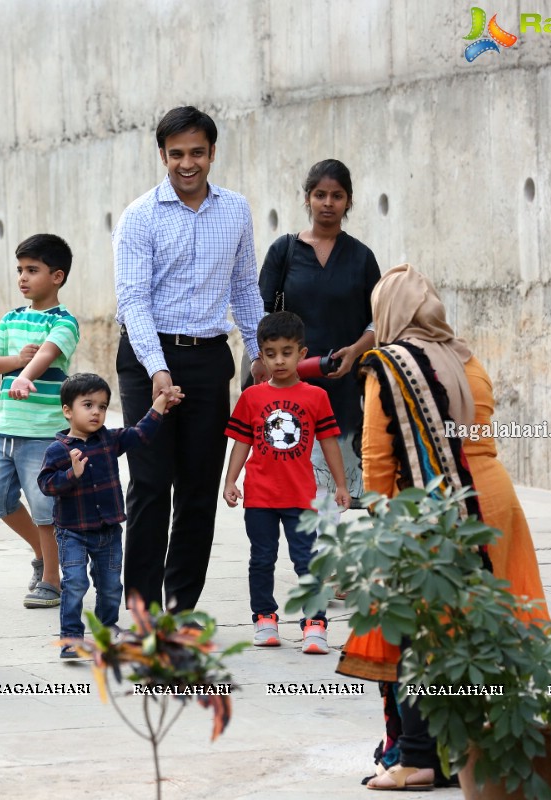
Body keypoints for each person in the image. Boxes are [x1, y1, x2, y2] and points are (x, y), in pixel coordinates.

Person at [342, 264, 548, 791]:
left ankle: (417, 756)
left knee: (419, 630)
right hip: (494, 501)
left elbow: (377, 462)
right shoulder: (467, 359)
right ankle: (477, 747)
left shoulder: (388, 367)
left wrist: (384, 535)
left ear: (386, 313)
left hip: (432, 506)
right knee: (486, 624)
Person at [113, 105, 264, 614]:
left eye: (197, 152)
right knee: (151, 486)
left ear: (212, 152)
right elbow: (133, 300)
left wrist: (259, 354)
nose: (187, 163)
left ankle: (180, 608)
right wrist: (158, 369)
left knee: (199, 489)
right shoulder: (139, 216)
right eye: (176, 154)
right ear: (162, 155)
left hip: (207, 359)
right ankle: (141, 609)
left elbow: (245, 288)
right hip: (145, 357)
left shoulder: (236, 210)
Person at [223, 312, 350, 652]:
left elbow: (329, 443)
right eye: (270, 353)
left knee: (307, 562)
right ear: (261, 355)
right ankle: (264, 618)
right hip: (260, 498)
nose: (279, 360)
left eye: (287, 352)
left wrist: (340, 485)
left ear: (302, 353)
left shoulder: (316, 397)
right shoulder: (252, 397)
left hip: (301, 498)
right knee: (262, 559)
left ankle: (315, 623)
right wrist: (230, 480)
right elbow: (241, 442)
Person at [257, 159, 380, 507]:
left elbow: (379, 319)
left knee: (340, 490)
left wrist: (355, 350)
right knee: (298, 490)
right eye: (320, 194)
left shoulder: (361, 257)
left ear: (349, 202)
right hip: (292, 385)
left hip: (346, 385)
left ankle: (327, 556)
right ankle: (310, 557)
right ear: (307, 199)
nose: (328, 203)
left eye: (337, 196)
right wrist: (269, 360)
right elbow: (261, 314)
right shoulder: (285, 251)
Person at [37, 374, 181, 659]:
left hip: (108, 530)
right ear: (67, 410)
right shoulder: (58, 450)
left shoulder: (109, 440)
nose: (96, 412)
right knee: (75, 582)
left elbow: (141, 433)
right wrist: (70, 474)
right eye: (88, 405)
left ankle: (107, 627)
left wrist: (159, 405)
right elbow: (46, 485)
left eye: (102, 407)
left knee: (111, 585)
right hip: (73, 531)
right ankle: (71, 638)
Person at [0, 234, 80, 609]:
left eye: (32, 270)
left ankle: (51, 580)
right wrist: (16, 365)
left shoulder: (65, 322)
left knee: (43, 508)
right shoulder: (10, 320)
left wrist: (27, 374)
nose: (22, 277)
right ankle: (44, 556)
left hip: (41, 434)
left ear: (57, 276)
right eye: (20, 270)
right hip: (4, 430)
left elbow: (49, 353)